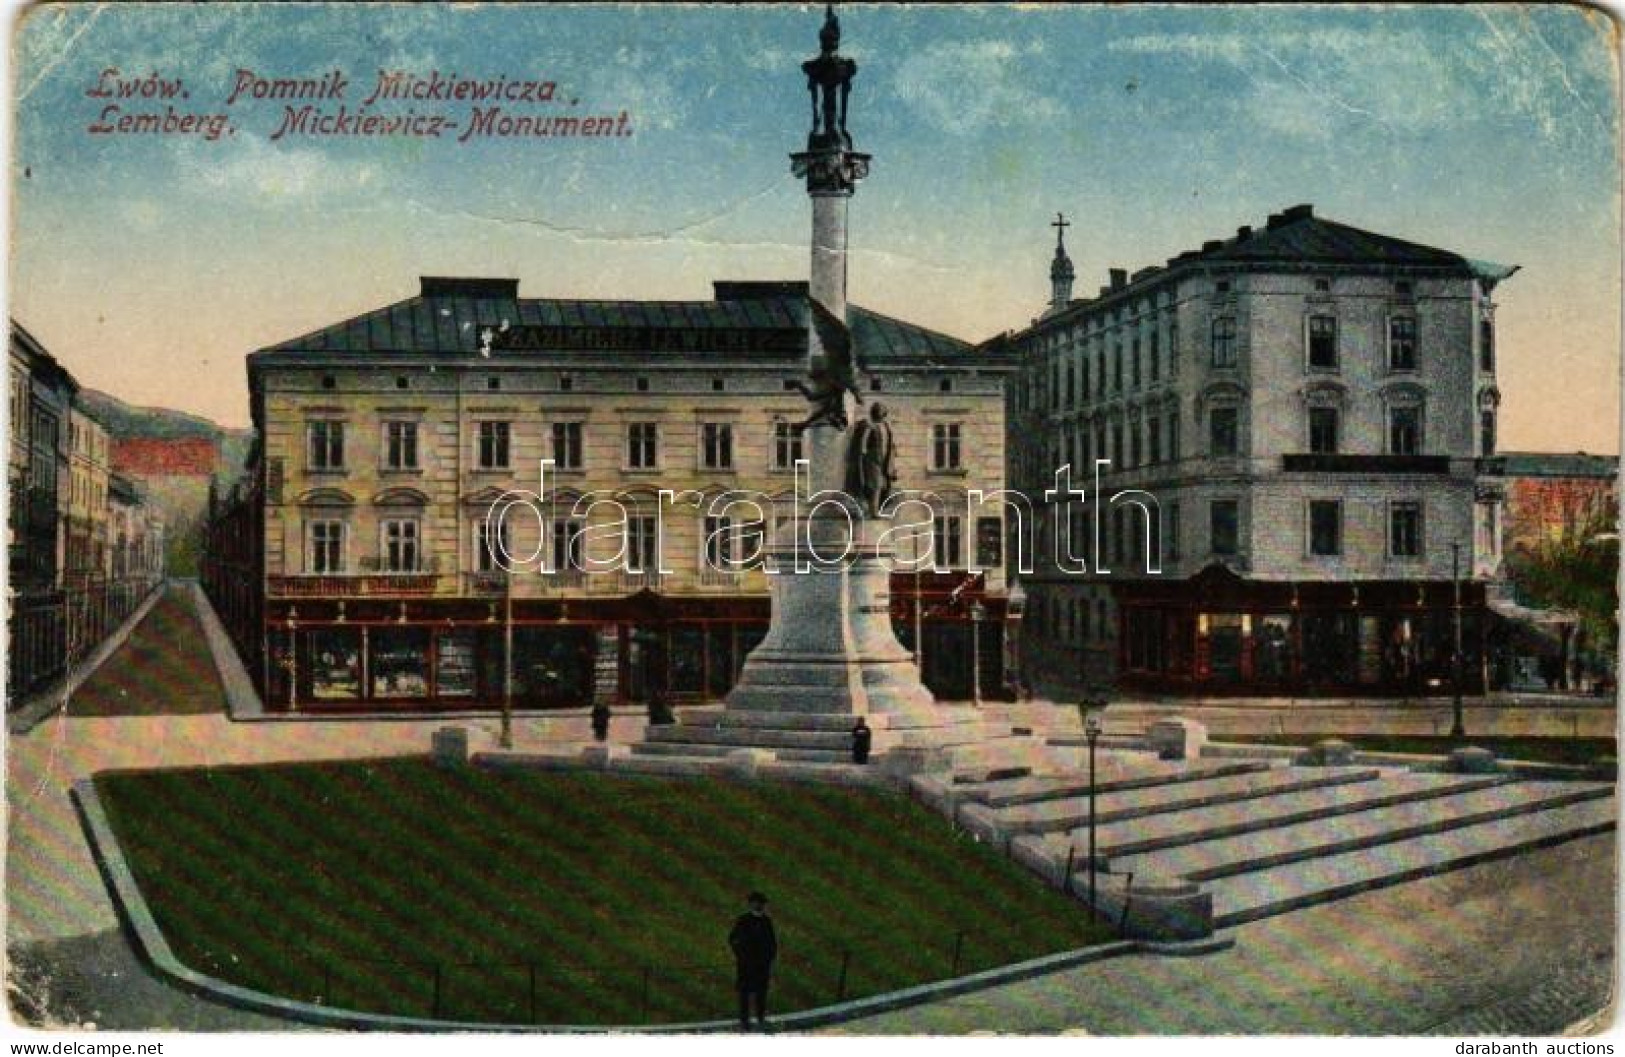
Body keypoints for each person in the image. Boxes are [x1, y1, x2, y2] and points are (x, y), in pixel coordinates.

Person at [728, 891, 777, 1031]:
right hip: (746, 964)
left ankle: (760, 1018)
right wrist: (741, 956)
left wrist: (769, 958)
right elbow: (732, 939)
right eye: (755, 903)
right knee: (744, 993)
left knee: (761, 992)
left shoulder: (767, 921)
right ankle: (745, 1021)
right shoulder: (743, 921)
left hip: (762, 964)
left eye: (760, 903)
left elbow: (772, 943)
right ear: (751, 905)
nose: (758, 906)